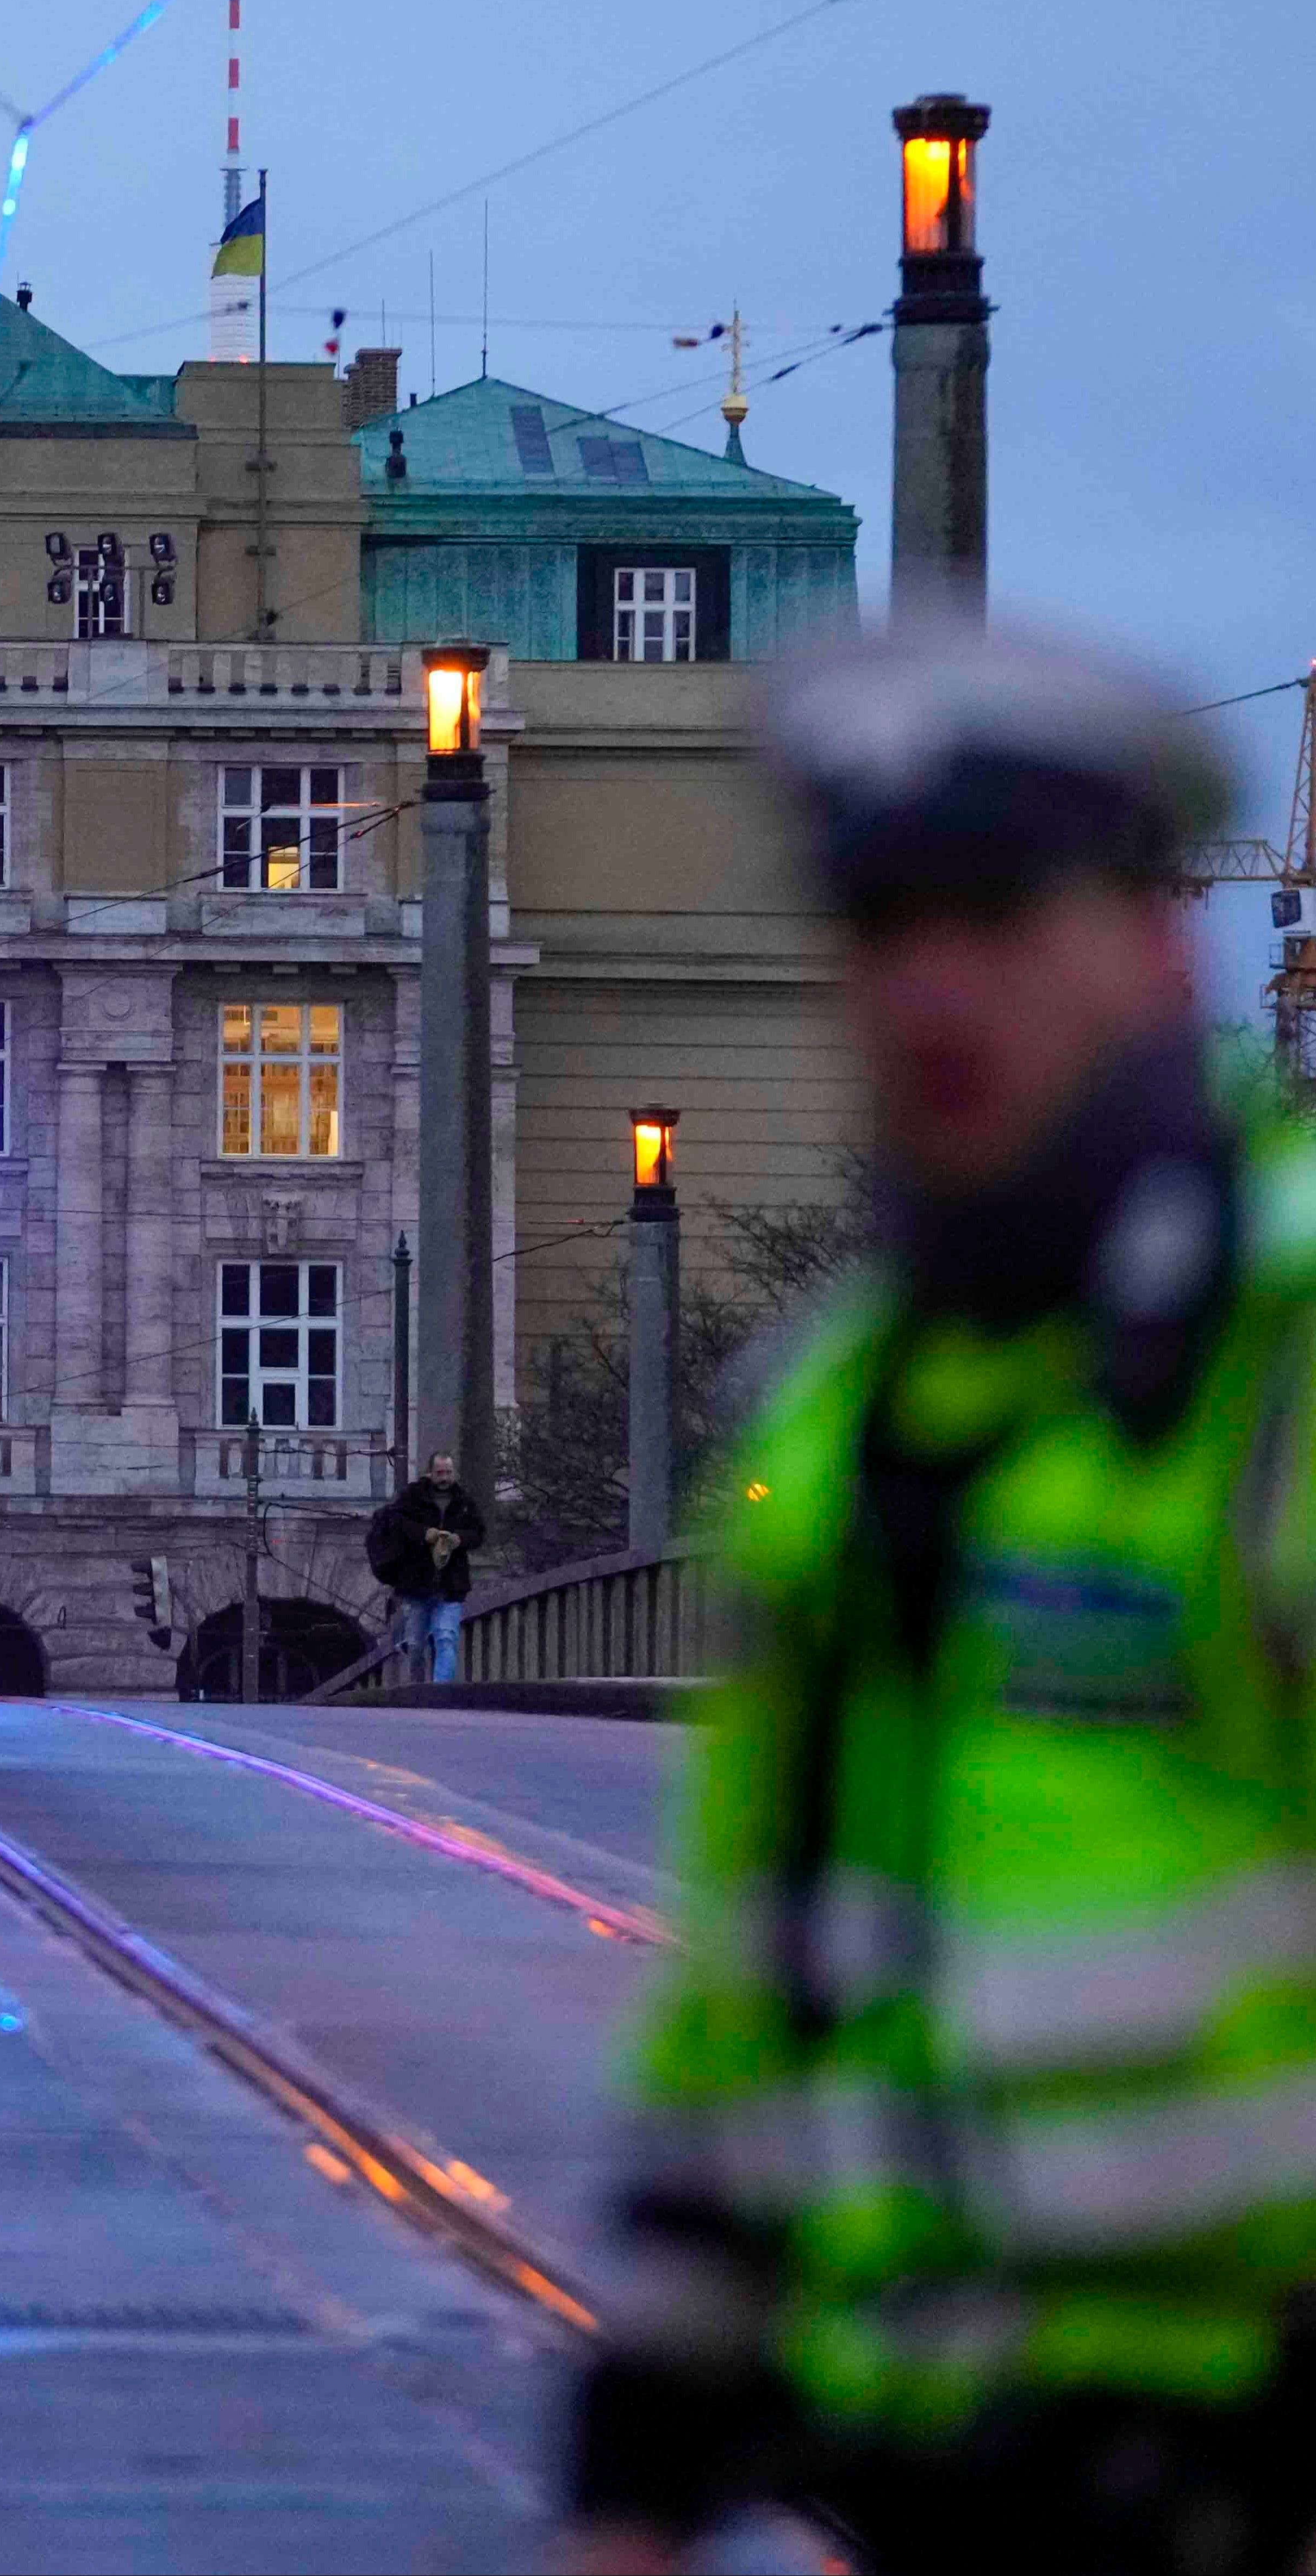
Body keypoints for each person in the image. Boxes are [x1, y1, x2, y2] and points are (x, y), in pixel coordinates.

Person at [569, 629, 1316, 2575]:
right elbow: (753, 1987)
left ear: (1157, 940)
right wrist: (634, 2474)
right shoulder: (839, 1405)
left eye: (994, 911)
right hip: (928, 2477)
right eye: (880, 922)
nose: (929, 985)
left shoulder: (1281, 1349)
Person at [367, 1452, 485, 1682]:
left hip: (451, 1586)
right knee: (416, 1647)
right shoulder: (412, 1498)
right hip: (416, 1585)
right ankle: (418, 1690)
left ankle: (440, 1695)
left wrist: (459, 1539)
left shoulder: (464, 1502)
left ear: (454, 1473)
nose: (444, 1478)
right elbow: (396, 1524)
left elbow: (479, 1533)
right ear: (430, 1473)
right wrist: (425, 1534)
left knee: (446, 1637)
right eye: (440, 1473)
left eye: (448, 1472)